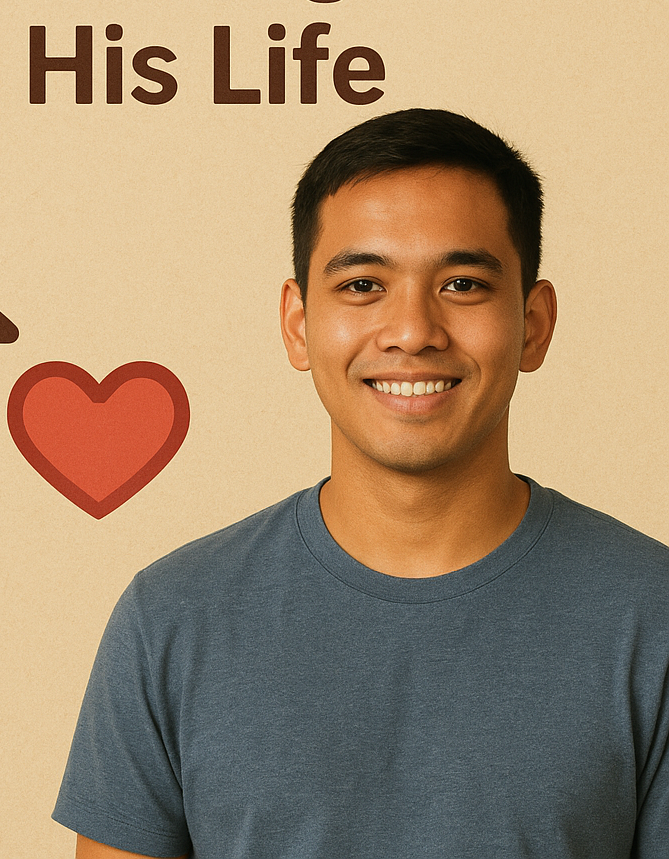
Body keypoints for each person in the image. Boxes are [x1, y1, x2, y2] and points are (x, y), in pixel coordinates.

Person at [52, 109, 669, 858]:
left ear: (533, 324)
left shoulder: (652, 617)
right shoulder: (172, 618)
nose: (412, 330)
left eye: (464, 283)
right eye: (364, 284)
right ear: (298, 324)